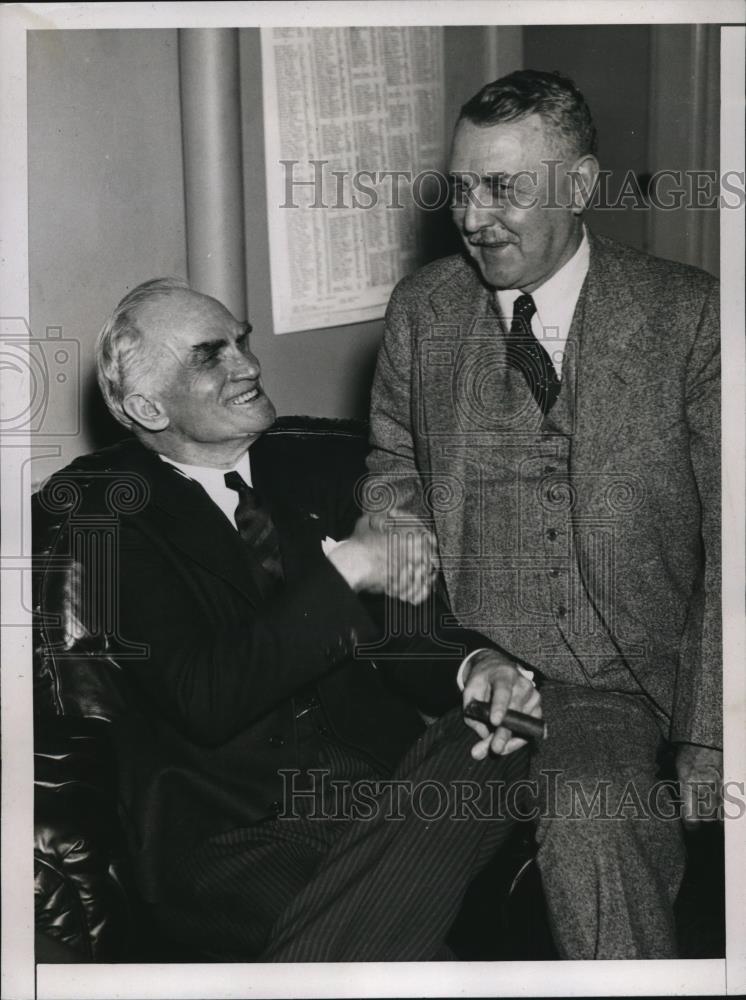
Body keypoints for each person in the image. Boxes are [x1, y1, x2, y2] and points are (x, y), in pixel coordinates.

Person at [34, 277, 541, 962]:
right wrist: (348, 570)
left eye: (240, 341)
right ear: (147, 406)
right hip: (239, 831)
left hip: (385, 792)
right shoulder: (108, 516)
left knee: (497, 734)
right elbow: (205, 695)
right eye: (211, 355)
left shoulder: (318, 469)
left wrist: (477, 665)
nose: (249, 364)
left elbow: (407, 637)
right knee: (403, 961)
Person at [367, 69, 721, 959]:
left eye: (506, 189)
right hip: (490, 676)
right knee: (392, 855)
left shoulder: (691, 314)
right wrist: (414, 577)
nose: (475, 216)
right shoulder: (421, 313)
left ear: (582, 184)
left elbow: (738, 533)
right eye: (462, 188)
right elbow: (393, 476)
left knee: (595, 820)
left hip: (629, 676)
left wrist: (714, 733)